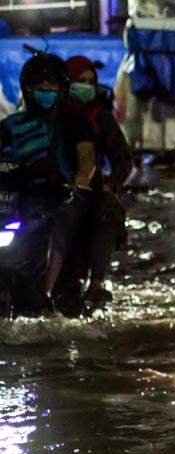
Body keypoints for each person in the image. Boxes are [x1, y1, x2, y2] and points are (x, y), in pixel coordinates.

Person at [0, 53, 95, 309]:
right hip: (17, 198)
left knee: (65, 215)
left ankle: (48, 291)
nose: (44, 91)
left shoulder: (76, 123)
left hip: (59, 194)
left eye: (50, 86)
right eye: (38, 86)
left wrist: (80, 179)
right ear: (26, 88)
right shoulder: (11, 124)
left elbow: (86, 157)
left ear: (62, 89)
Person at [65, 55, 132, 309]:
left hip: (88, 192)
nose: (86, 86)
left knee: (108, 208)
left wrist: (110, 184)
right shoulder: (52, 116)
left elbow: (123, 160)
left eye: (90, 82)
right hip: (51, 186)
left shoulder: (100, 118)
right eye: (79, 81)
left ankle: (97, 284)